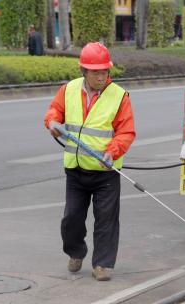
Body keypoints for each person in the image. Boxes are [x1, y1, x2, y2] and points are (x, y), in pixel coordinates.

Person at [44, 42, 136, 281]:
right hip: (75, 170)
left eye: (104, 71)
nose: (101, 76)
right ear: (83, 71)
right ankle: (76, 251)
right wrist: (52, 123)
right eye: (95, 72)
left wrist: (113, 151)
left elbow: (126, 132)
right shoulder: (69, 90)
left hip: (105, 172)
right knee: (71, 218)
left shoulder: (119, 96)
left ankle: (103, 265)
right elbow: (54, 111)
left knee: (106, 220)